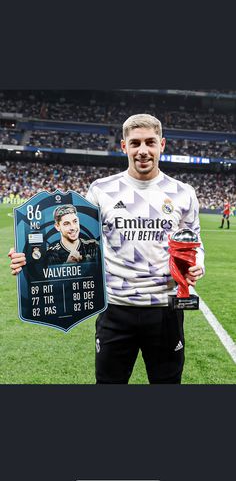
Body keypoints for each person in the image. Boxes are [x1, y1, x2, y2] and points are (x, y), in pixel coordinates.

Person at [9, 114, 204, 384]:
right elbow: (80, 241)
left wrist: (198, 264)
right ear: (124, 146)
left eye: (150, 142)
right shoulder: (101, 190)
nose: (143, 150)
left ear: (163, 145)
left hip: (165, 309)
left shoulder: (183, 192)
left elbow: (194, 240)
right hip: (114, 309)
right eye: (135, 143)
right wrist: (29, 259)